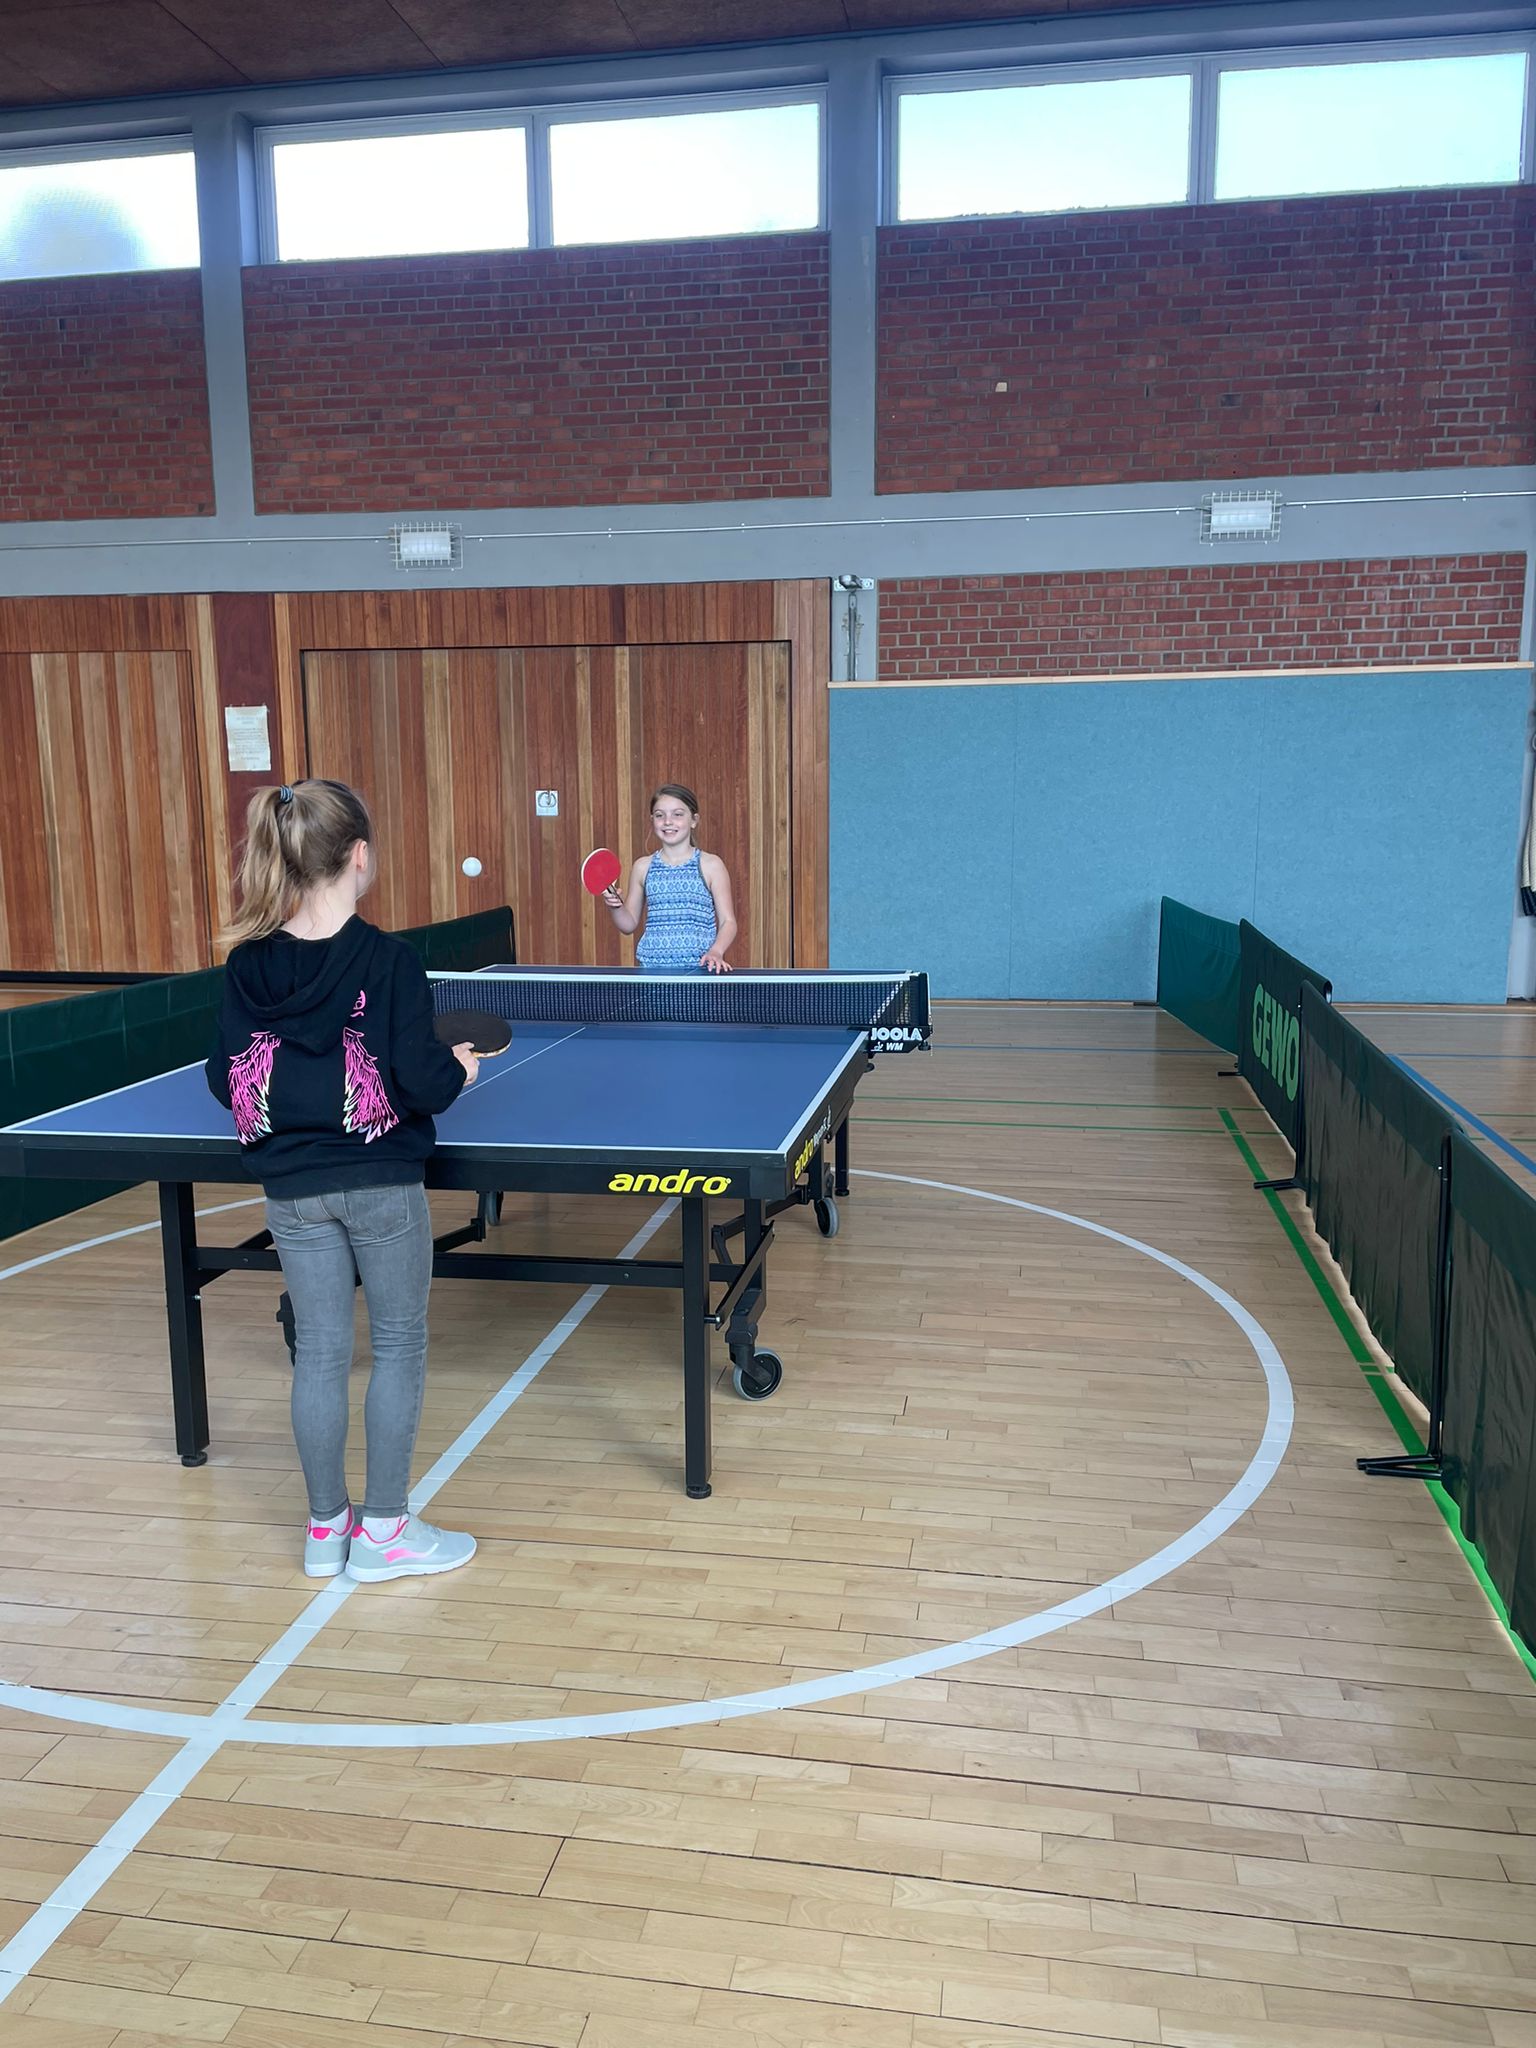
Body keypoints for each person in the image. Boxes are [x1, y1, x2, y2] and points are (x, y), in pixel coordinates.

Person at [206, 779, 479, 1585]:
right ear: (359, 857)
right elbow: (420, 1082)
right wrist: (458, 1069)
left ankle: (326, 1529)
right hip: (379, 1181)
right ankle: (386, 1530)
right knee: (397, 1342)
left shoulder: (247, 965)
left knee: (321, 1352)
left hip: (291, 1187)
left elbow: (227, 1079)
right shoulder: (389, 960)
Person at [602, 783, 738, 973]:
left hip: (698, 970)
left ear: (694, 820)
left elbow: (728, 922)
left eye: (678, 814)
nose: (668, 821)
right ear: (652, 820)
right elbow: (628, 924)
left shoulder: (711, 865)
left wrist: (716, 951)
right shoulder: (643, 867)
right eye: (660, 815)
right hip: (651, 971)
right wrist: (615, 906)